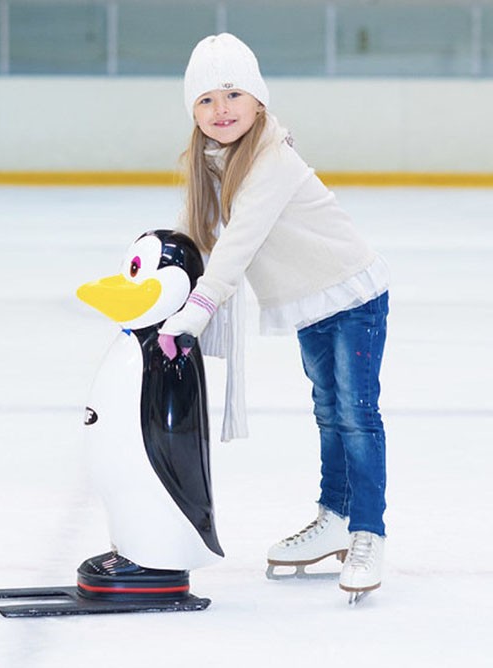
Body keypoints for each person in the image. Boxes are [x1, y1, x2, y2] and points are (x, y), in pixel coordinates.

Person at [156, 33, 390, 599]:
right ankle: (335, 516)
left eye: (233, 94)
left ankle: (368, 531)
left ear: (259, 100)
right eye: (207, 99)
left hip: (351, 295)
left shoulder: (273, 158)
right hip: (309, 301)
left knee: (355, 415)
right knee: (328, 411)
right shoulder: (211, 164)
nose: (222, 109)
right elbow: (197, 234)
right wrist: (165, 285)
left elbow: (239, 241)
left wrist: (199, 309)